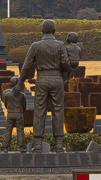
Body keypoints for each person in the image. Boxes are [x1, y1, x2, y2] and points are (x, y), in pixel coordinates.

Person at [18, 19, 71, 153]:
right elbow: (65, 64)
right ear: (54, 30)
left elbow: (26, 66)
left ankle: (38, 144)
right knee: (58, 110)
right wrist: (70, 68)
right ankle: (59, 145)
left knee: (39, 111)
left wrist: (20, 82)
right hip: (57, 79)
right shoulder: (60, 45)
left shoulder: (35, 46)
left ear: (42, 30)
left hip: (41, 79)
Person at [0, 76, 27, 152]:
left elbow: (5, 104)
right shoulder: (22, 95)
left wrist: (10, 110)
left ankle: (5, 147)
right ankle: (21, 147)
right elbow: (24, 106)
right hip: (19, 114)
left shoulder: (7, 94)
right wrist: (20, 112)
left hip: (10, 114)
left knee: (8, 131)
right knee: (20, 130)